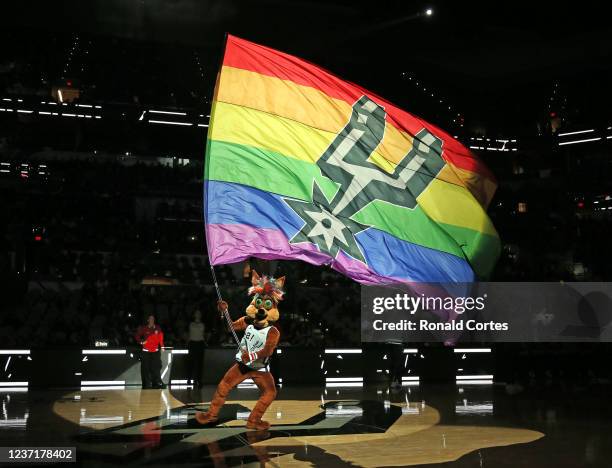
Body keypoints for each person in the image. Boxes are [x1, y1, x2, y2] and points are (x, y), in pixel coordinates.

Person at [196, 271, 284, 430]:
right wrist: (224, 312)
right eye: (259, 303)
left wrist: (251, 355)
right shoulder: (247, 321)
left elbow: (268, 351)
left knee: (270, 392)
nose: (262, 308)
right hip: (242, 366)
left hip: (259, 368)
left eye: (267, 304)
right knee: (223, 386)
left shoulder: (273, 331)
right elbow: (230, 327)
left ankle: (254, 420)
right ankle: (211, 415)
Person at [135, 314, 165, 389]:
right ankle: (146, 385)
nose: (151, 320)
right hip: (146, 352)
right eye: (150, 319)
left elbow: (160, 338)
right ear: (148, 320)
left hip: (155, 352)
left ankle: (157, 383)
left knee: (156, 367)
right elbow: (137, 336)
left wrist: (162, 346)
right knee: (145, 368)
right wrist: (141, 342)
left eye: (153, 319)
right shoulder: (144, 328)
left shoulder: (158, 328)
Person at [187, 309, 206, 388]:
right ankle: (189, 379)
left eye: (199, 313)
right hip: (192, 344)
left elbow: (203, 335)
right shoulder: (191, 324)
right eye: (196, 313)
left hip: (200, 344)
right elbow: (189, 334)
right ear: (194, 315)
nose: (198, 314)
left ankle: (198, 380)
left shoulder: (203, 324)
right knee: (191, 363)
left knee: (199, 363)